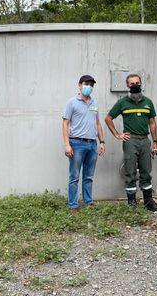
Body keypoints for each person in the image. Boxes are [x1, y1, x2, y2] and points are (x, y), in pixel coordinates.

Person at [105, 74, 157, 212]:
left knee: (146, 172)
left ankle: (148, 202)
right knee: (130, 172)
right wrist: (117, 134)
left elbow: (152, 122)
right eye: (132, 83)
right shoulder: (122, 102)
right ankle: (132, 203)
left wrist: (155, 141)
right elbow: (108, 118)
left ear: (141, 84)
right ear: (127, 86)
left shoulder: (148, 102)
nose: (135, 85)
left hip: (145, 140)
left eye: (137, 82)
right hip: (131, 141)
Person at [62, 74, 105, 213]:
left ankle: (88, 201)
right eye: (86, 84)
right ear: (79, 85)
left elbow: (98, 124)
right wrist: (67, 144)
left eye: (91, 85)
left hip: (92, 144)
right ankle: (73, 205)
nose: (89, 87)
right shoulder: (72, 102)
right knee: (74, 176)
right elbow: (65, 123)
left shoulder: (95, 103)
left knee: (88, 176)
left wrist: (102, 142)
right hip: (77, 143)